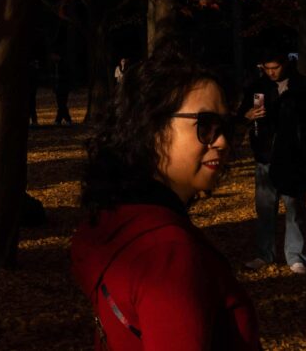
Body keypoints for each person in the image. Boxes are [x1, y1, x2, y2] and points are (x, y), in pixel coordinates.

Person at [70, 45, 260, 350]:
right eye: (206, 126)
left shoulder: (115, 221)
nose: (222, 141)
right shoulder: (168, 251)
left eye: (225, 127)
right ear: (152, 129)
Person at [239, 50, 306, 274]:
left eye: (275, 68)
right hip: (266, 155)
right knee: (265, 210)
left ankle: (295, 256)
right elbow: (241, 116)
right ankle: (265, 254)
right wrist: (248, 116)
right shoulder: (257, 86)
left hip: (294, 156)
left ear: (285, 64)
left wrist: (297, 108)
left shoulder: (303, 85)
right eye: (266, 68)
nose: (271, 73)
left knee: (294, 208)